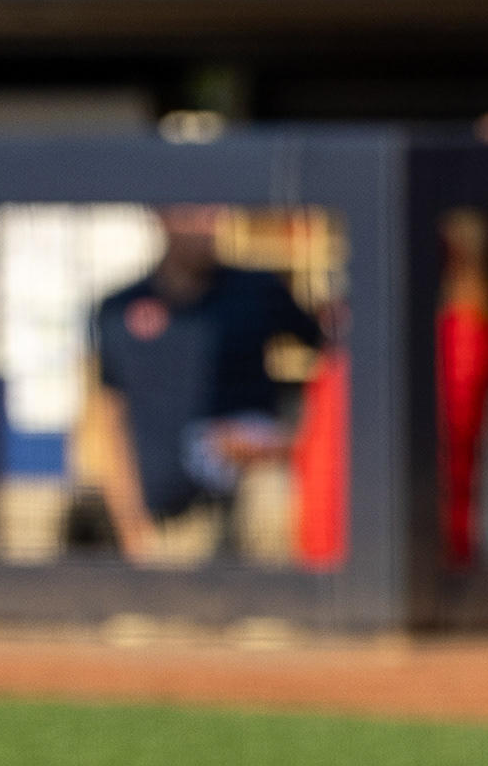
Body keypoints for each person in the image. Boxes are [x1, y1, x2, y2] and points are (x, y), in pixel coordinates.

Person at [83, 207, 322, 562]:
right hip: (171, 526)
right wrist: (132, 529)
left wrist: (286, 443)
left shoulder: (258, 290)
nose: (209, 224)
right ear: (163, 216)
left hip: (259, 511)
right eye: (194, 212)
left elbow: (342, 366)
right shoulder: (118, 309)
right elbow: (107, 423)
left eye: (215, 211)